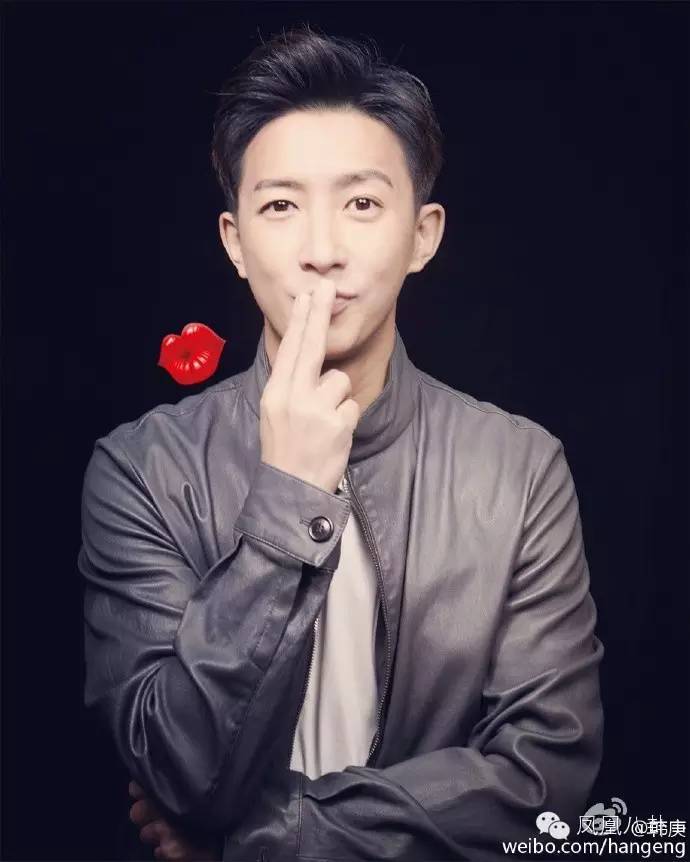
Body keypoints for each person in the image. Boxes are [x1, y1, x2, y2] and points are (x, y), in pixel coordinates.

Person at [79, 23, 604, 862]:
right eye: (280, 206)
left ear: (423, 234)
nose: (321, 252)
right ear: (235, 242)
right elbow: (181, 769)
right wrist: (288, 494)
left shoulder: (519, 468)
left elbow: (543, 782)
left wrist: (269, 838)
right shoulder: (142, 469)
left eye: (361, 204)